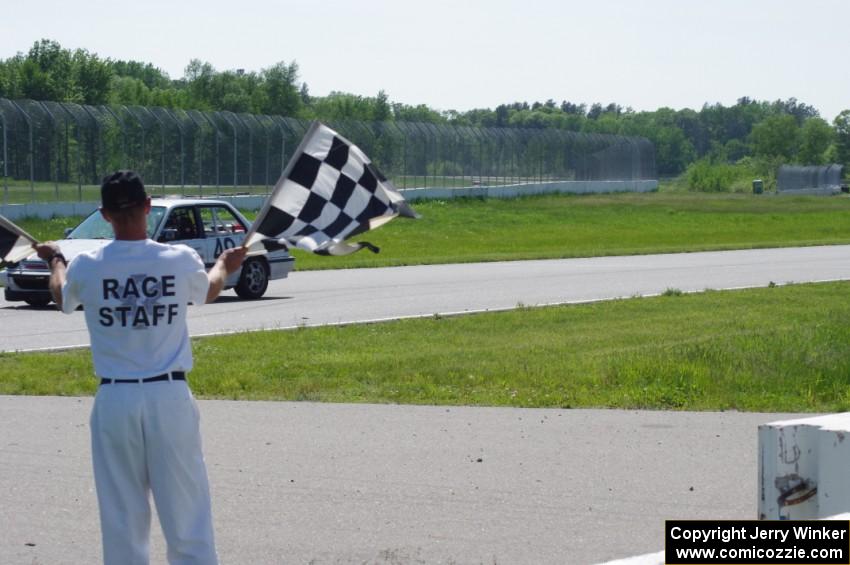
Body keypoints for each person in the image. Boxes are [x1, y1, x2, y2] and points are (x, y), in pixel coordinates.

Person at [35, 170, 246, 565]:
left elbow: (62, 296)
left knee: (122, 516)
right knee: (187, 512)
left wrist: (57, 260)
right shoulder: (178, 259)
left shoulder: (88, 265)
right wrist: (224, 263)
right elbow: (209, 289)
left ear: (105, 214)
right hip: (169, 395)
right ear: (148, 206)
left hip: (115, 397)